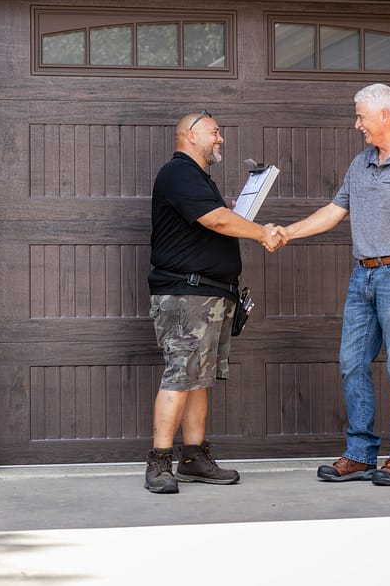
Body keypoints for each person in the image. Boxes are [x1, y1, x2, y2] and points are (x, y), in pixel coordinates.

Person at [277, 84, 390, 486]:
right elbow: (334, 210)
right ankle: (360, 454)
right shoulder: (361, 163)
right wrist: (288, 232)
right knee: (352, 363)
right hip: (362, 276)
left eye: (361, 117)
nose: (357, 125)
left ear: (385, 115)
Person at [145, 110, 283, 494]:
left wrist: (235, 214)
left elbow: (216, 219)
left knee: (199, 380)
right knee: (180, 376)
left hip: (209, 295)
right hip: (186, 296)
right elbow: (217, 221)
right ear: (191, 136)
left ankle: (194, 459)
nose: (220, 139)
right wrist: (261, 233)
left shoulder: (198, 179)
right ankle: (159, 463)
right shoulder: (178, 173)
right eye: (215, 132)